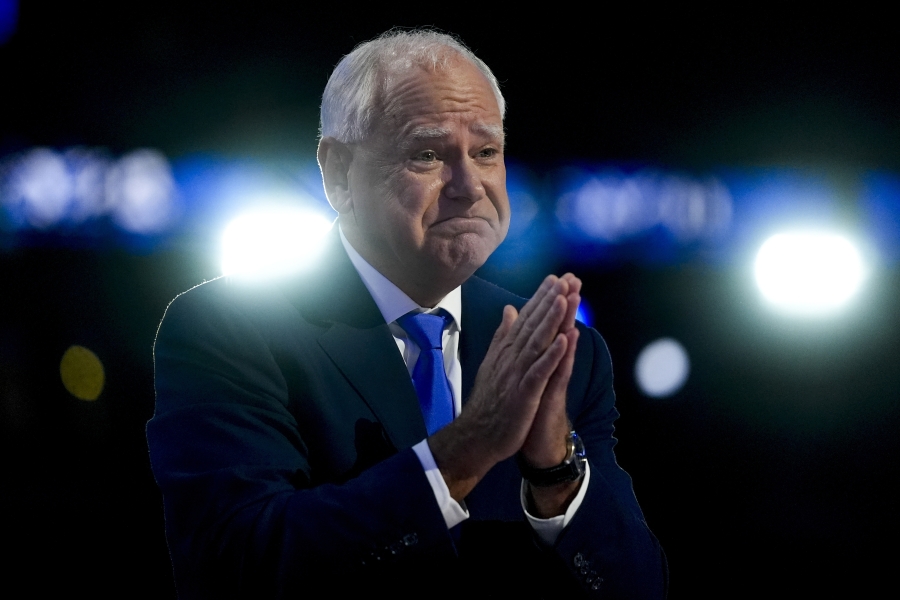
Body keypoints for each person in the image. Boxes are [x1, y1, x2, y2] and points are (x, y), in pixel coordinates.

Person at [147, 29, 667, 599]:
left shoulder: (561, 351)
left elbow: (636, 590)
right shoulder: (229, 328)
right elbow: (232, 565)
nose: (469, 187)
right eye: (427, 154)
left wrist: (553, 473)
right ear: (339, 173)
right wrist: (468, 448)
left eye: (486, 152)